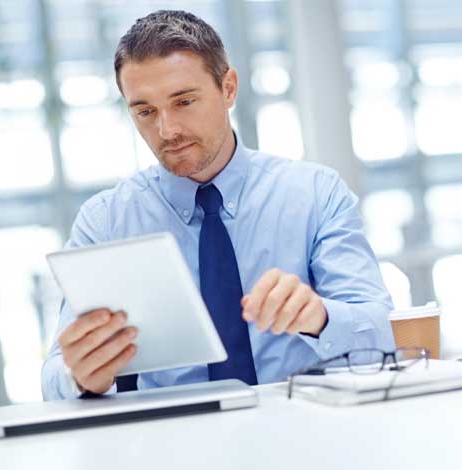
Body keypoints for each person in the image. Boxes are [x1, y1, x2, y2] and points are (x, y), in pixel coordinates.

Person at [41, 10, 395, 400]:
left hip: (301, 429)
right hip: (170, 443)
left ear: (228, 88)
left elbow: (379, 331)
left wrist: (319, 317)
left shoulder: (314, 193)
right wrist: (80, 376)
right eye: (145, 111)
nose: (167, 130)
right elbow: (55, 374)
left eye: (184, 101)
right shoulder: (106, 220)